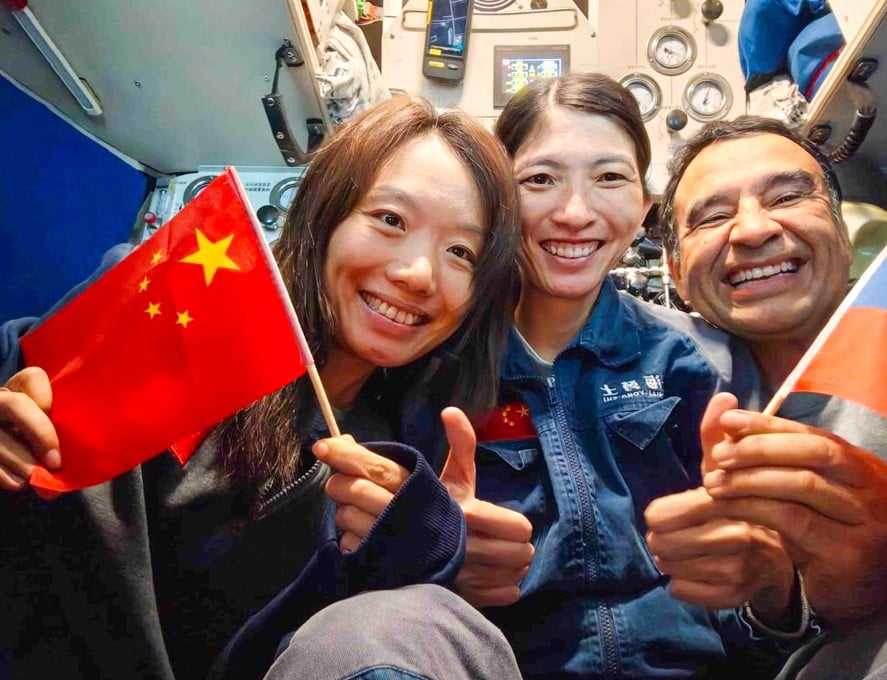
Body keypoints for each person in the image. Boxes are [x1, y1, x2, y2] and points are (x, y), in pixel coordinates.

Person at [0, 95, 523, 680]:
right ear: (325, 216)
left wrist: (424, 551)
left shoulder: (405, 453)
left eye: (460, 252)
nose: (418, 274)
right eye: (390, 220)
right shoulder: (169, 311)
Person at [427, 72, 794, 677]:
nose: (575, 212)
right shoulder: (439, 365)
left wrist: (766, 583)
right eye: (540, 180)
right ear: (496, 202)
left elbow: (761, 587)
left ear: (643, 208)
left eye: (610, 178)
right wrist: (434, 558)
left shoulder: (699, 359)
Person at [658, 115, 887, 676]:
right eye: (713, 215)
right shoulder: (662, 392)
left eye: (786, 196)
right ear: (677, 274)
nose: (753, 230)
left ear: (843, 233)